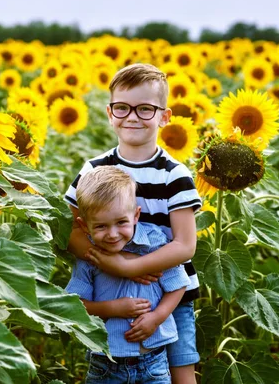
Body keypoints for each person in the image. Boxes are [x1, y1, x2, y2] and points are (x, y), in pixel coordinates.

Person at [65, 63, 202, 384]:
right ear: (110, 113)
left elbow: (185, 244)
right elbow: (72, 231)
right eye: (123, 108)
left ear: (164, 117)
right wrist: (118, 264)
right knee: (114, 364)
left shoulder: (174, 174)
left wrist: (131, 268)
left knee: (181, 371)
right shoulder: (94, 169)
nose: (132, 117)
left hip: (172, 296)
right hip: (112, 292)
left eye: (145, 109)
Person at [66, 166, 190, 383]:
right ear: (85, 226)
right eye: (101, 226)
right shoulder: (90, 257)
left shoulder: (154, 242)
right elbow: (75, 304)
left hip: (153, 359)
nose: (112, 234)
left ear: (136, 215)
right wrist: (112, 309)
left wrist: (156, 317)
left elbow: (178, 283)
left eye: (121, 222)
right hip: (105, 361)